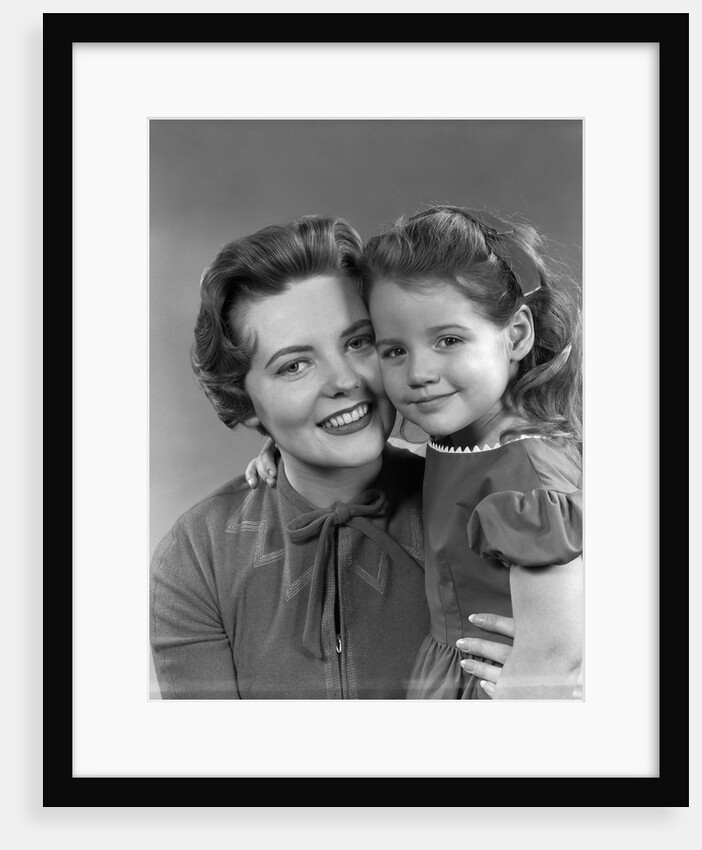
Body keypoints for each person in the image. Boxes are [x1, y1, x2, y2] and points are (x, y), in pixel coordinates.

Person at [150, 214, 514, 699]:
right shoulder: (199, 556)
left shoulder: (485, 505)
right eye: (295, 365)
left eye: (359, 342)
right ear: (244, 402)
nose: (345, 380)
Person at [360, 205, 583, 700]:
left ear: (516, 335)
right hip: (448, 675)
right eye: (394, 349)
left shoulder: (528, 475)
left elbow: (553, 659)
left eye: (448, 340)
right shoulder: (465, 438)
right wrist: (280, 453)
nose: (418, 372)